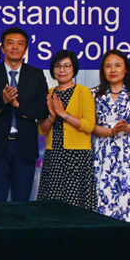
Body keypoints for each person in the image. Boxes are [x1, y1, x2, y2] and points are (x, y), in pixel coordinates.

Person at [0, 27, 49, 202]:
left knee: (22, 202)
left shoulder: (36, 75)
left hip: (24, 146)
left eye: (20, 43)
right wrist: (3, 102)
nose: (15, 47)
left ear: (25, 49)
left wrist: (19, 105)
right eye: (10, 43)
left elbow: (43, 109)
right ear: (2, 48)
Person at [91, 50, 130, 223]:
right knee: (103, 202)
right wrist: (110, 131)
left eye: (117, 65)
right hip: (103, 152)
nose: (113, 70)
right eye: (108, 66)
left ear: (126, 69)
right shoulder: (94, 94)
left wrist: (126, 128)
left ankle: (125, 239)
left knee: (128, 201)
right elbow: (91, 126)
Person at [36, 50, 97, 209]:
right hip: (54, 155)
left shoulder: (83, 92)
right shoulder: (48, 94)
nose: (62, 70)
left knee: (75, 206)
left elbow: (89, 126)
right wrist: (52, 117)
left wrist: (64, 114)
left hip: (77, 156)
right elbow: (41, 130)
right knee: (52, 206)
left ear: (74, 68)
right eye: (58, 66)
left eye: (66, 66)